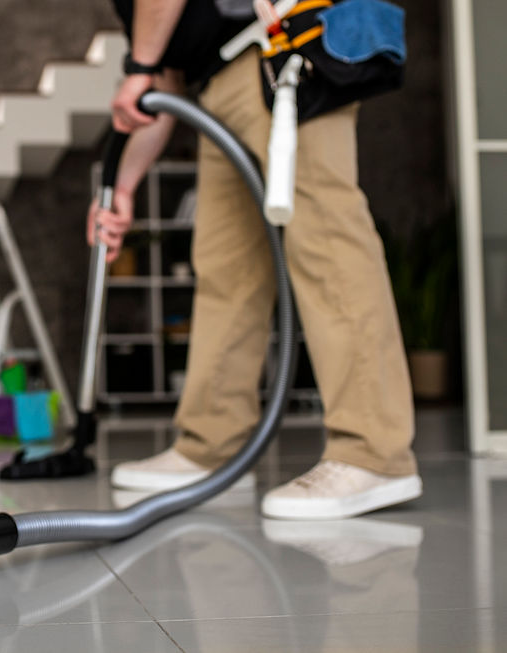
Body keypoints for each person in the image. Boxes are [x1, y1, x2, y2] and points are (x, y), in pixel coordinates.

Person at [93, 0, 422, 519]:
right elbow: (163, 85)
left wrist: (137, 68)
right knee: (227, 269)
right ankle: (211, 445)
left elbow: (147, 71)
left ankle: (373, 452)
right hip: (223, 81)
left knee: (328, 247)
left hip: (283, 51)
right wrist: (124, 186)